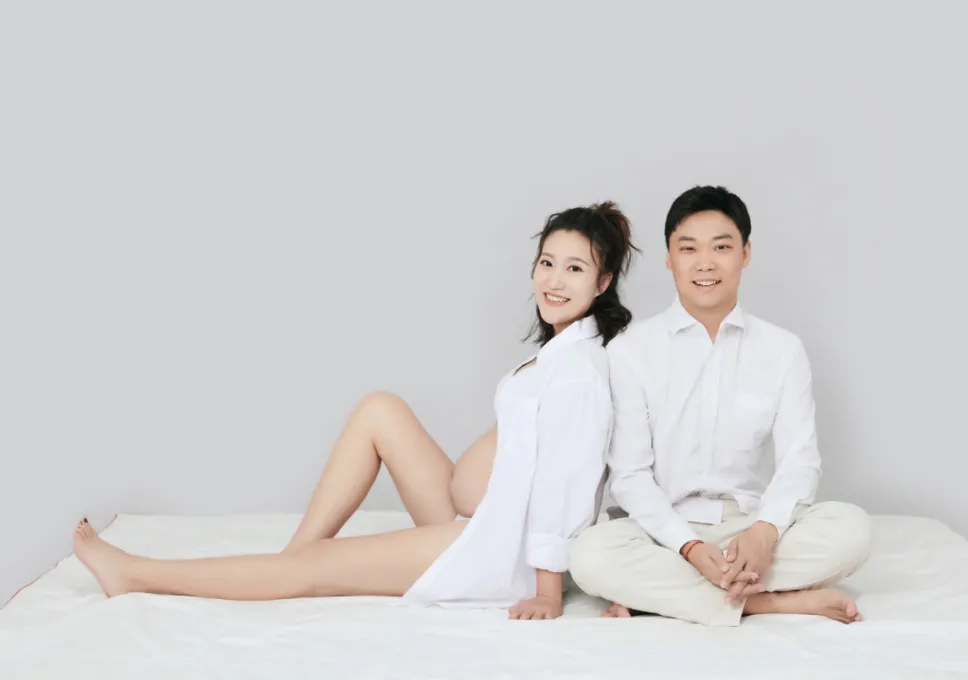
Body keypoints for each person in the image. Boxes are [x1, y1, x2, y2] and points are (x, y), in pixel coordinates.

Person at [72, 201, 640, 621]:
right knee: (380, 410)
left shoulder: (580, 372)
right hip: (478, 522)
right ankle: (293, 559)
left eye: (574, 269)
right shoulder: (562, 353)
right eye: (547, 262)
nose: (554, 280)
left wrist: (546, 591)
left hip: (495, 554)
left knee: (313, 572)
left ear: (603, 281)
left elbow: (566, 484)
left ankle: (138, 574)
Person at [568, 186, 872, 626]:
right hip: (665, 530)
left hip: (749, 526)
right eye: (688, 248)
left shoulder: (783, 350)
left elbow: (800, 462)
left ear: (745, 253)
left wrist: (764, 533)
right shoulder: (632, 350)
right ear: (669, 258)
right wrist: (689, 548)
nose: (705, 263)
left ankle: (667, 597)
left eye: (722, 247)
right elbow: (630, 475)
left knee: (852, 529)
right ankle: (768, 602)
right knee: (590, 555)